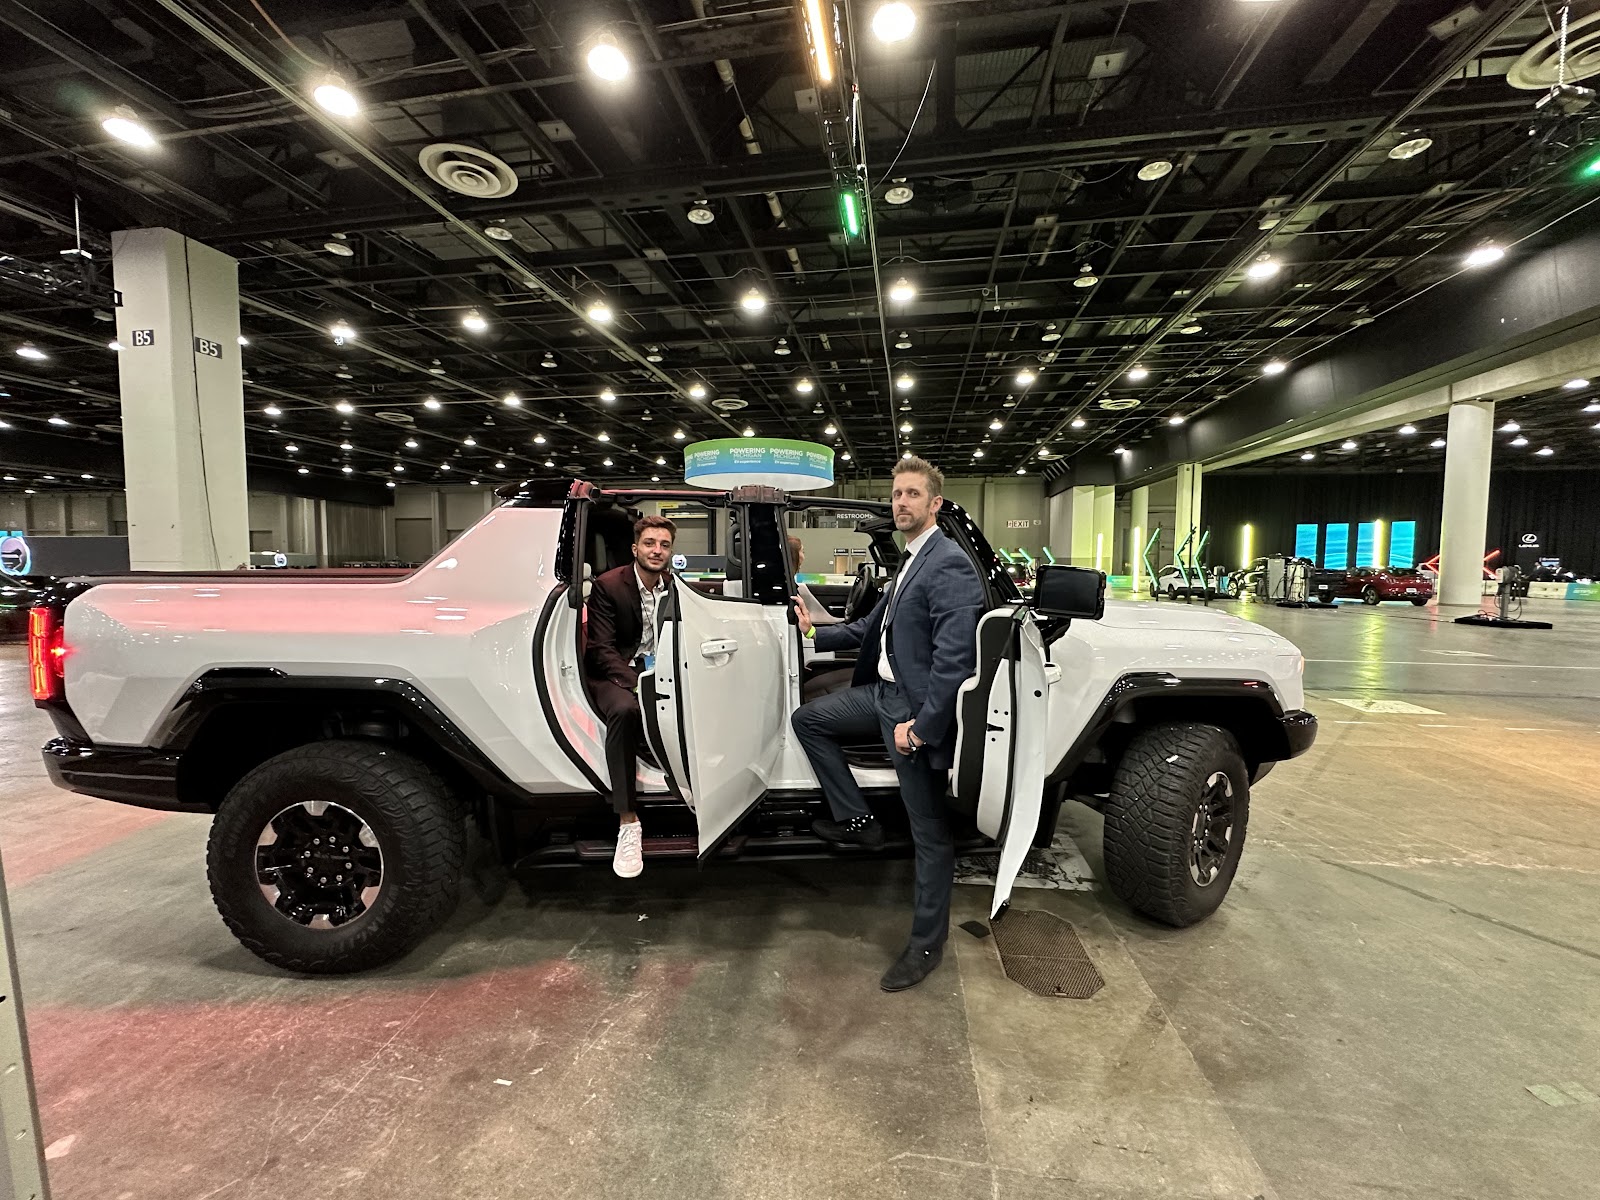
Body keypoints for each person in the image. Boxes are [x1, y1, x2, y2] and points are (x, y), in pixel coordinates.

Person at [790, 456, 984, 992]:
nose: (901, 502)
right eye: (897, 494)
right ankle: (859, 821)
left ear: (934, 504)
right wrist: (810, 634)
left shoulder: (947, 563)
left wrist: (922, 727)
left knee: (929, 832)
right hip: (878, 694)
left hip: (910, 711)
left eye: (912, 495)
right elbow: (867, 629)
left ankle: (926, 943)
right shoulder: (909, 562)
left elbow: (955, 659)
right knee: (808, 720)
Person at [584, 514, 677, 879]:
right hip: (616, 671)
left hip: (659, 668)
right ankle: (628, 820)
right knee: (625, 710)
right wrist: (638, 683)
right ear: (635, 548)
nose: (657, 551)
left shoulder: (673, 585)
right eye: (651, 544)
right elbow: (601, 649)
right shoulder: (609, 585)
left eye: (665, 545)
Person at [787, 535, 843, 626]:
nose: (803, 557)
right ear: (794, 555)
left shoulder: (790, 584)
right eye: (802, 551)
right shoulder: (789, 587)